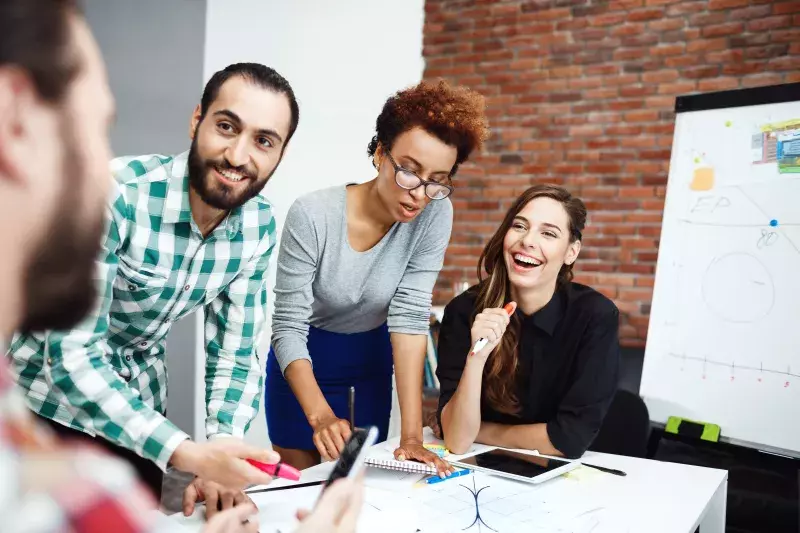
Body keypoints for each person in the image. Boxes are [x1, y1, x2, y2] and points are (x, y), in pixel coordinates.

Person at [0, 1, 363, 532]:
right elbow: (73, 357)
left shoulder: (258, 227)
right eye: (226, 126)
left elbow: (235, 355)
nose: (238, 155)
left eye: (263, 141)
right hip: (46, 403)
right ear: (197, 120)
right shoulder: (117, 195)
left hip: (141, 411)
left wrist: (222, 452)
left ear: (280, 153)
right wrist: (190, 453)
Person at [266, 80, 489, 473]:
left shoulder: (436, 214)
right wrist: (319, 416)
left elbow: (409, 315)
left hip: (371, 363)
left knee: (361, 488)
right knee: (298, 491)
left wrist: (412, 438)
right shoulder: (313, 215)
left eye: (437, 179)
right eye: (409, 171)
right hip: (302, 364)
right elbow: (287, 326)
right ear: (380, 154)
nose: (420, 193)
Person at [435, 184, 620, 458]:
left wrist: (484, 432)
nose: (528, 241)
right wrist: (476, 357)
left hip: (560, 479)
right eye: (520, 226)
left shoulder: (595, 316)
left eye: (548, 233)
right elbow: (458, 440)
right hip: (474, 471)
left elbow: (568, 440)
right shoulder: (464, 311)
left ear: (571, 252)